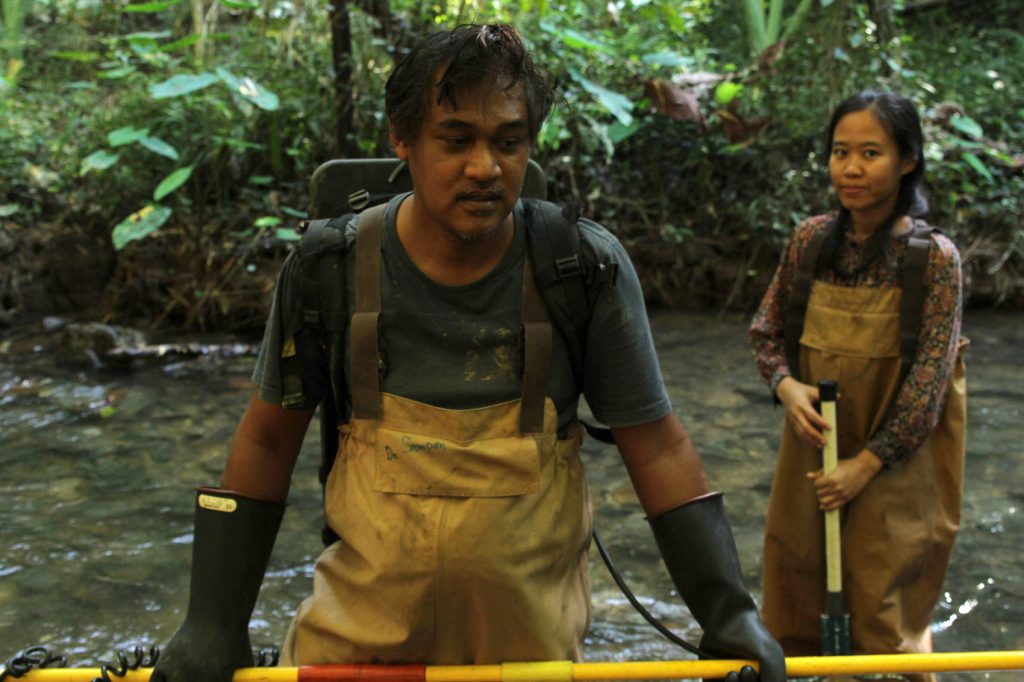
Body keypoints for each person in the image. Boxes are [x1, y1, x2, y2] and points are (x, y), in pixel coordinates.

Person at [151, 23, 784, 682]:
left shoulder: (581, 269)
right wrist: (212, 622)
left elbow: (656, 446)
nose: (485, 168)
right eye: (456, 141)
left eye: (508, 143)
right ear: (403, 139)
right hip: (356, 656)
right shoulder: (327, 270)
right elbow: (267, 443)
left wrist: (727, 611)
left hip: (528, 660)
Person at [749, 90, 967, 682]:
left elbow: (928, 388)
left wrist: (864, 467)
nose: (851, 167)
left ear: (908, 160)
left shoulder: (934, 260)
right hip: (813, 456)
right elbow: (766, 333)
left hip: (898, 467)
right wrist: (787, 388)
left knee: (887, 623)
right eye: (840, 152)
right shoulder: (811, 242)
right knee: (792, 604)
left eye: (871, 152)